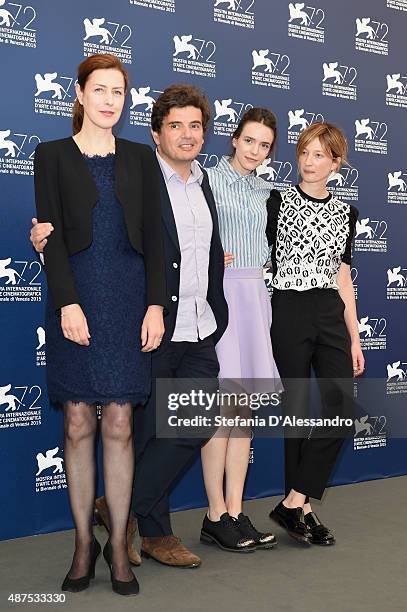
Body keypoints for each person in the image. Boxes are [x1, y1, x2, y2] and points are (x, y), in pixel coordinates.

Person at [31, 83, 228, 569]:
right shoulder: (137, 168)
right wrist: (42, 238)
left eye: (196, 126)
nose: (187, 135)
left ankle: (119, 507)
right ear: (156, 132)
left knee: (193, 420)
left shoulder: (204, 181)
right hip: (146, 318)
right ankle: (152, 533)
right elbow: (82, 224)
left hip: (198, 324)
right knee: (135, 430)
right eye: (175, 126)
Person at [33, 53, 166, 595]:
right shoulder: (51, 155)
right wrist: (66, 302)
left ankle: (116, 546)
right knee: (77, 423)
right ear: (80, 94)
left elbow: (157, 240)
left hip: (128, 298)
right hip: (76, 294)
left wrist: (156, 305)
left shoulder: (140, 158)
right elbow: (51, 234)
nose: (111, 100)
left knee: (118, 422)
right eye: (101, 90)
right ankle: (83, 543)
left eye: (119, 92)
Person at [267, 122, 364, 546]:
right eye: (304, 152)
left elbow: (344, 278)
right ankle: (301, 510)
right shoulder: (276, 201)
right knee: (296, 413)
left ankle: (292, 500)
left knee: (341, 410)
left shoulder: (347, 213)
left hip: (328, 310)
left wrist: (355, 336)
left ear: (335, 163)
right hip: (287, 307)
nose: (309, 161)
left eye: (319, 155)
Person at [200, 108, 280, 552]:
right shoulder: (206, 179)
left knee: (244, 408)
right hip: (222, 296)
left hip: (256, 298)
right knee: (220, 408)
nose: (255, 150)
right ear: (234, 139)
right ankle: (214, 515)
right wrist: (213, 260)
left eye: (264, 145)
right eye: (249, 140)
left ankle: (235, 510)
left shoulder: (269, 192)